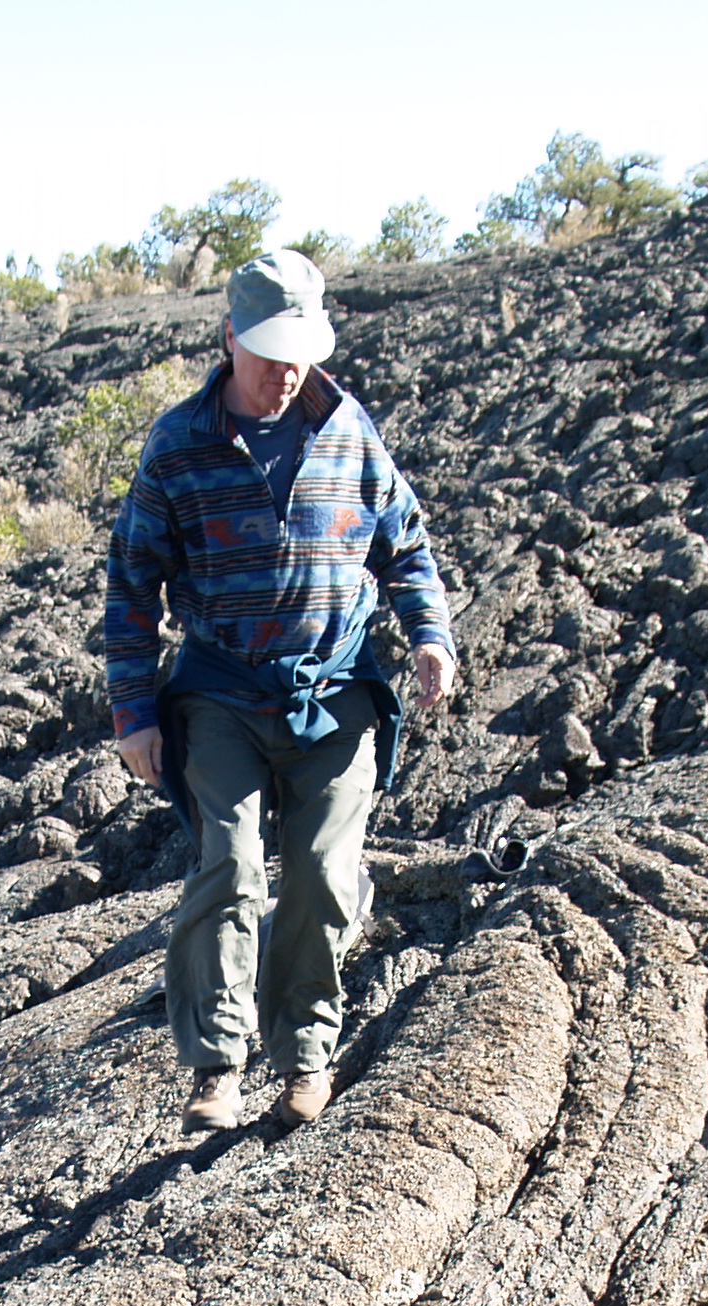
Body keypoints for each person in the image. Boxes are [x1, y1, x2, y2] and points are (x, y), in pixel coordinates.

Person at [102, 249, 459, 1133]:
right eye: (268, 356)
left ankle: (305, 1054)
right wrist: (135, 712)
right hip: (220, 690)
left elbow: (404, 546)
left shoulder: (348, 428)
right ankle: (217, 1065)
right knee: (227, 864)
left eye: (298, 353)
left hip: (335, 689)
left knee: (326, 872)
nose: (284, 373)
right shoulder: (179, 446)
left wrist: (429, 636)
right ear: (229, 339)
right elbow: (132, 581)